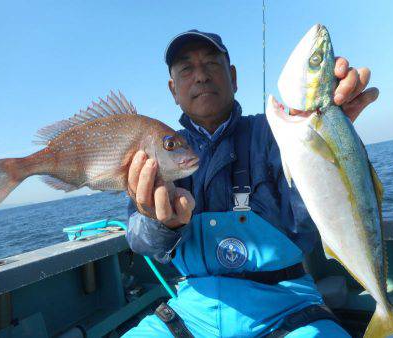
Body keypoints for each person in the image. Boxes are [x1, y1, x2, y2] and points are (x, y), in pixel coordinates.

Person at [122, 30, 379, 337]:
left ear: (233, 77)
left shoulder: (280, 132)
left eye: (212, 64)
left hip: (289, 305)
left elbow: (312, 208)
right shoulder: (160, 150)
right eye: (186, 68)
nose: (201, 76)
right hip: (191, 311)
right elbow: (138, 239)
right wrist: (160, 224)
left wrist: (329, 135)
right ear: (173, 90)